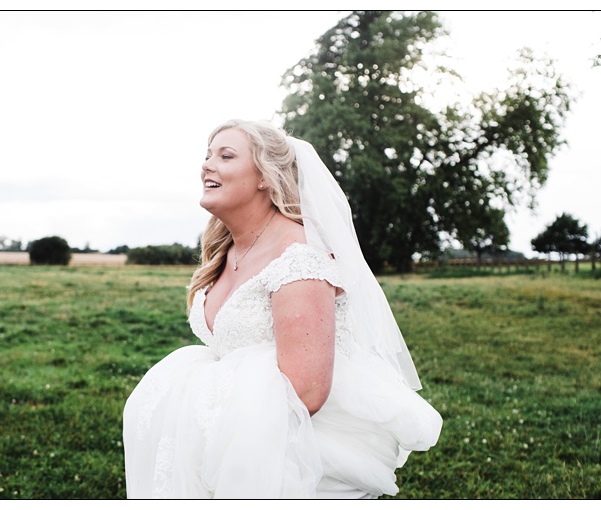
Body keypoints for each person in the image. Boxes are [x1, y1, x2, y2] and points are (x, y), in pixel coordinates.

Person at [122, 120, 442, 498]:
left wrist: (214, 424)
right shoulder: (226, 250)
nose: (207, 165)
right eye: (207, 155)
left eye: (225, 156)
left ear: (264, 175)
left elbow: (305, 392)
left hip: (289, 456)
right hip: (228, 438)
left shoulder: (298, 255)